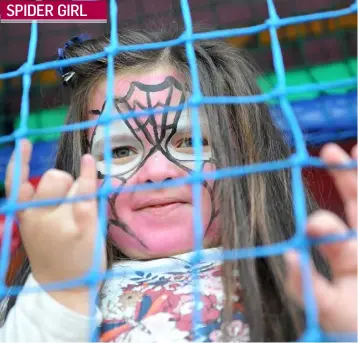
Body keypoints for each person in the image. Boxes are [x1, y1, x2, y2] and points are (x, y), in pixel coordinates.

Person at [0, 28, 356, 342]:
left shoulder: (305, 282)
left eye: (191, 142)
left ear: (248, 155)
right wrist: (60, 289)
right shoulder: (42, 297)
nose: (157, 171)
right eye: (120, 149)